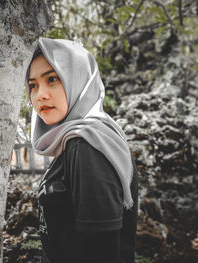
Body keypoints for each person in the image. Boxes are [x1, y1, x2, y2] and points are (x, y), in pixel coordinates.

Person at [24, 38, 139, 263]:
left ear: (78, 80)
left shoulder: (86, 146)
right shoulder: (84, 138)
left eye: (52, 79)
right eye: (33, 85)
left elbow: (100, 253)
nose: (40, 95)